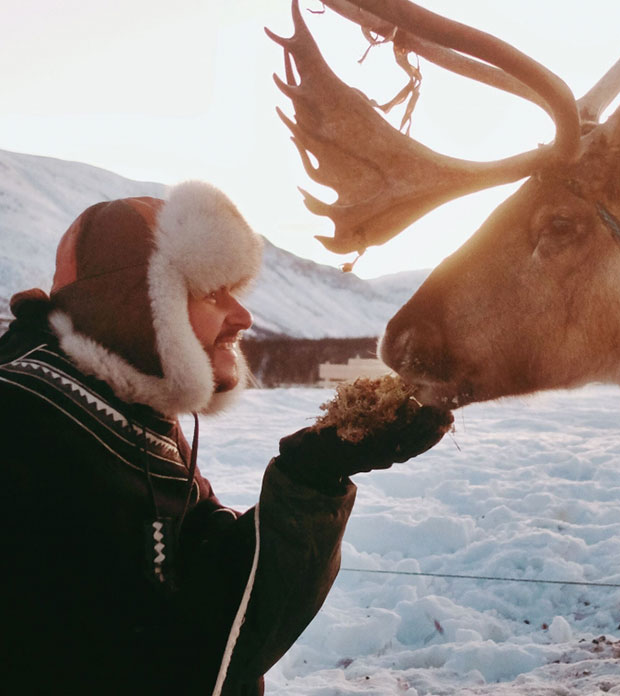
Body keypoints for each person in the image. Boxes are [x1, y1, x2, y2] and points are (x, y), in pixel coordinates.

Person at [0, 181, 451, 695]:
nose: (243, 317)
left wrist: (314, 478)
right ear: (138, 303)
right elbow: (161, 659)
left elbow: (212, 589)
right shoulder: (26, 428)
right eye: (211, 292)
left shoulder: (127, 413)